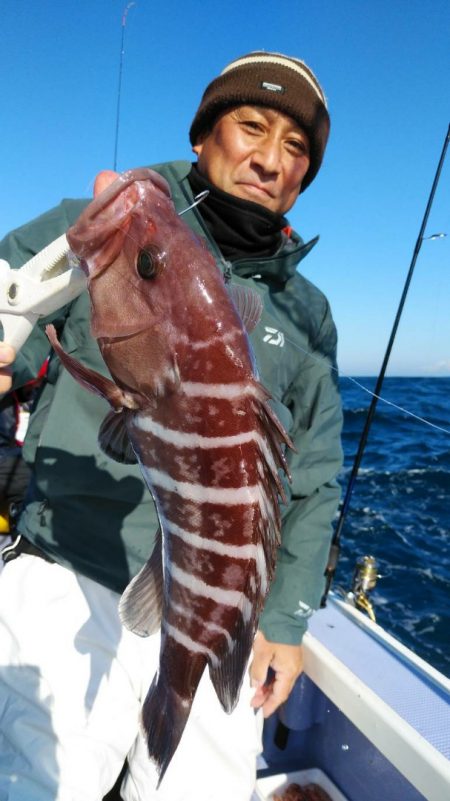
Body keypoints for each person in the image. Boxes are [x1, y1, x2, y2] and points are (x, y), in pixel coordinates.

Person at [0, 51, 343, 801]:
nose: (270, 158)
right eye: (251, 125)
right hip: (69, 564)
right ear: (202, 135)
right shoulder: (113, 220)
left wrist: (283, 619)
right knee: (36, 781)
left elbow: (314, 474)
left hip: (218, 608)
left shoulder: (309, 313)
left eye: (296, 148)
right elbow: (11, 299)